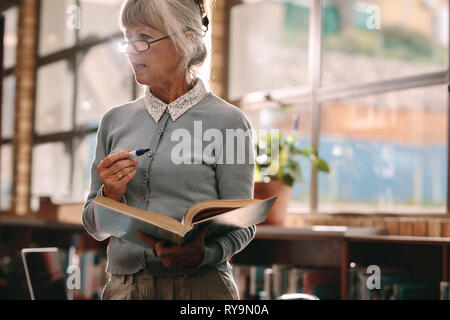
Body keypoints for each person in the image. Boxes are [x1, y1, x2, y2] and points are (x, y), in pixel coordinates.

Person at [82, 0, 256, 300]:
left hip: (203, 289)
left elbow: (242, 225)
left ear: (187, 40)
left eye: (145, 39)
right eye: (129, 39)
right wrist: (110, 196)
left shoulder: (230, 122)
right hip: (124, 290)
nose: (133, 50)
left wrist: (205, 253)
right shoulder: (114, 122)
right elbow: (94, 227)